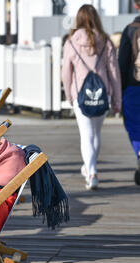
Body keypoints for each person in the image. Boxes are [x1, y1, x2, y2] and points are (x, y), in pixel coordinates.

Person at [62, 4, 122, 190]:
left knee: (86, 135)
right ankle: (90, 168)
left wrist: (68, 95)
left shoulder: (71, 42)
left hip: (80, 94)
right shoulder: (105, 40)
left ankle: (92, 172)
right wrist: (117, 99)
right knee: (95, 134)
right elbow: (114, 72)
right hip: (102, 94)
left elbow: (65, 72)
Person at [118, 0, 140, 185]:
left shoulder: (129, 30)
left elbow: (122, 63)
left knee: (134, 127)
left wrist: (121, 90)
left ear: (135, 6)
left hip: (133, 87)